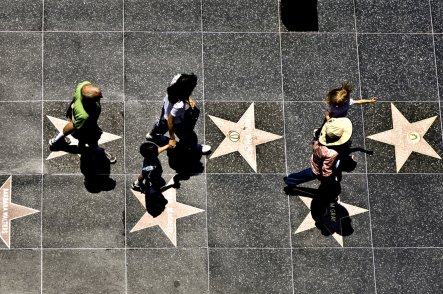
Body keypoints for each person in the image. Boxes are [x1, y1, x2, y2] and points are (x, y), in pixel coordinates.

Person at [48, 81, 116, 163]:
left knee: (75, 127)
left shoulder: (82, 85)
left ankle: (55, 141)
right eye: (97, 98)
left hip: (74, 113)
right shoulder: (84, 116)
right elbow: (75, 126)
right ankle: (100, 153)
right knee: (93, 142)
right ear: (88, 101)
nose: (101, 97)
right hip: (86, 127)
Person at [146, 73, 211, 155]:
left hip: (165, 111)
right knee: (186, 136)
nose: (195, 85)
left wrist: (189, 99)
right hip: (177, 121)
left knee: (160, 125)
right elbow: (170, 120)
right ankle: (194, 148)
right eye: (193, 86)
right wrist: (172, 137)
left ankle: (151, 135)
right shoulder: (179, 104)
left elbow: (182, 91)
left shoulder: (176, 79)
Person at [284, 117, 352, 187]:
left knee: (306, 173)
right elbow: (326, 169)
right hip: (319, 168)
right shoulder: (331, 153)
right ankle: (290, 181)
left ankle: (290, 179)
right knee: (311, 174)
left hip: (317, 158)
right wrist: (327, 179)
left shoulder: (322, 137)